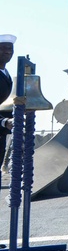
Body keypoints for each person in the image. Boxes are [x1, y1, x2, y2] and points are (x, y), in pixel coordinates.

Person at [0, 35, 16, 174]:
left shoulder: (5, 73)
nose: (7, 51)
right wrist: (3, 121)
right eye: (3, 48)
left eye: (10, 48)